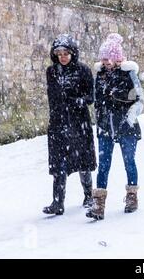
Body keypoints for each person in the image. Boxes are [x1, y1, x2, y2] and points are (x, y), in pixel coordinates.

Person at [86, 33, 143, 220]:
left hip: (126, 126)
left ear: (117, 58)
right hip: (105, 127)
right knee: (103, 165)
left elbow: (137, 96)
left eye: (109, 57)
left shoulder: (128, 72)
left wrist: (116, 96)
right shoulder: (100, 74)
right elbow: (97, 98)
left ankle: (132, 196)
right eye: (103, 58)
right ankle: (98, 204)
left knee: (129, 162)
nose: (106, 61)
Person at [43, 34, 97, 215]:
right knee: (59, 163)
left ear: (72, 53)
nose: (63, 56)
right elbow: (53, 98)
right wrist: (55, 119)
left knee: (82, 160)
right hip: (58, 123)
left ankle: (89, 195)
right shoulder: (52, 72)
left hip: (78, 122)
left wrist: (78, 102)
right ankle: (58, 202)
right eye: (59, 53)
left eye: (66, 52)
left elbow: (91, 96)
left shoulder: (83, 71)